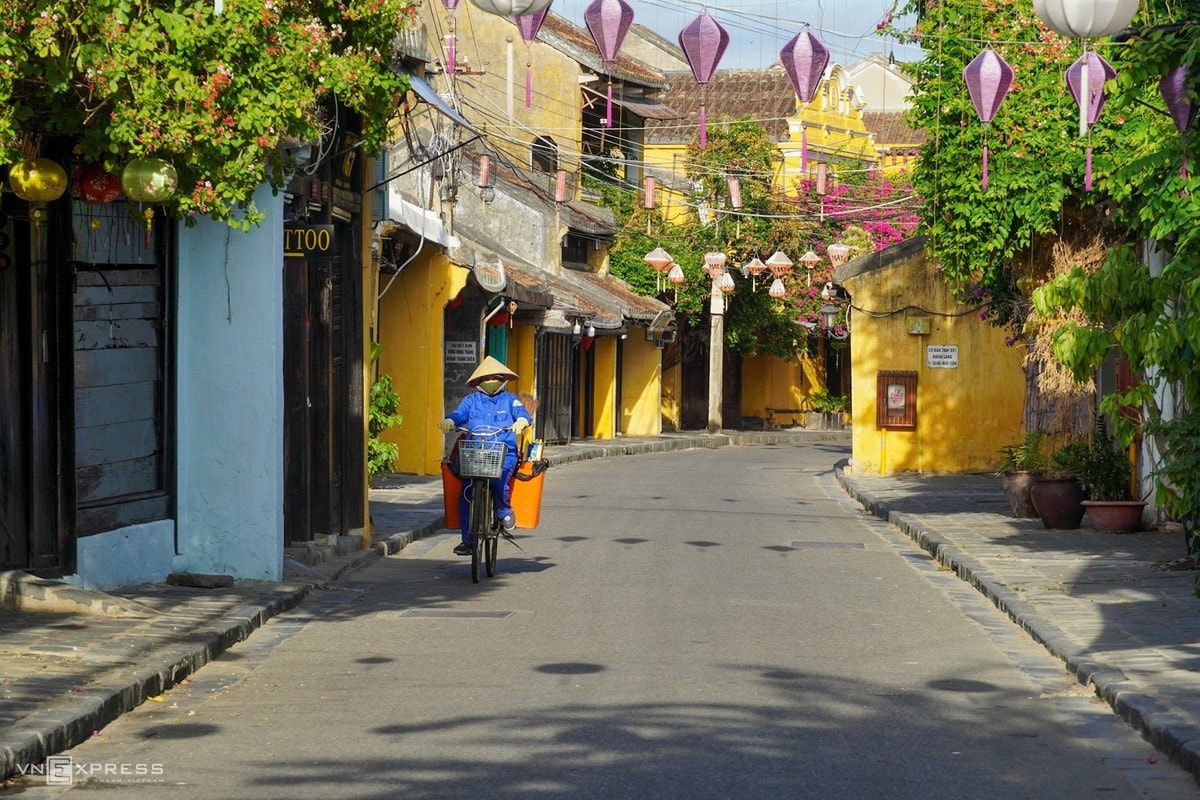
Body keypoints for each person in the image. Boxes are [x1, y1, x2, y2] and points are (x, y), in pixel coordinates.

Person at [438, 356, 532, 555]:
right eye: (486, 378)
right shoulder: (470, 400)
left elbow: (522, 412)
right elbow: (459, 414)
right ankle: (468, 540)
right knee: (466, 493)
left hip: (504, 452)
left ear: (502, 380)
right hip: (475, 452)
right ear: (479, 382)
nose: (490, 381)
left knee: (498, 482)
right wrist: (449, 421)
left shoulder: (510, 400)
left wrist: (521, 421)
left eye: (494, 377)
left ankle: (503, 509)